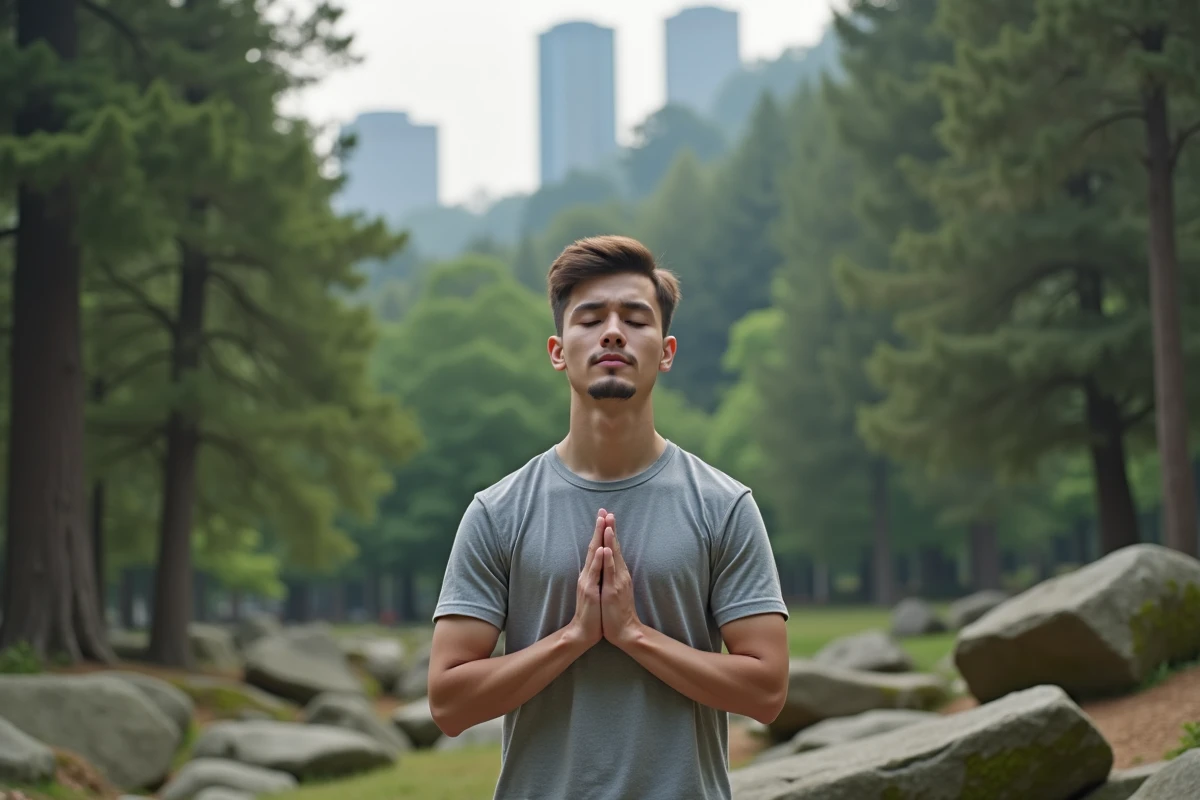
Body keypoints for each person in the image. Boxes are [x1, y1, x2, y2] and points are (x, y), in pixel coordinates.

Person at [427, 235, 790, 799]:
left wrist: (632, 636)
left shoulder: (724, 506)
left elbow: (767, 691)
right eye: (591, 318)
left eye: (636, 319)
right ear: (557, 349)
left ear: (666, 351)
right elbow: (448, 703)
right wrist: (575, 636)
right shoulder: (498, 513)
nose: (613, 332)